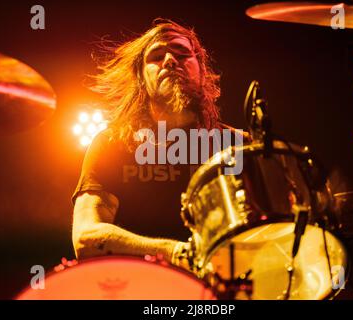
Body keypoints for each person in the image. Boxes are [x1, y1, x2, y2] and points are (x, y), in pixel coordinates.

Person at [71, 19, 239, 267]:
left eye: (182, 54)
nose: (170, 61)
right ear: (141, 78)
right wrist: (176, 253)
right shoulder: (112, 144)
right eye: (157, 56)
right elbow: (86, 238)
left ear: (202, 70)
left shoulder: (237, 146)